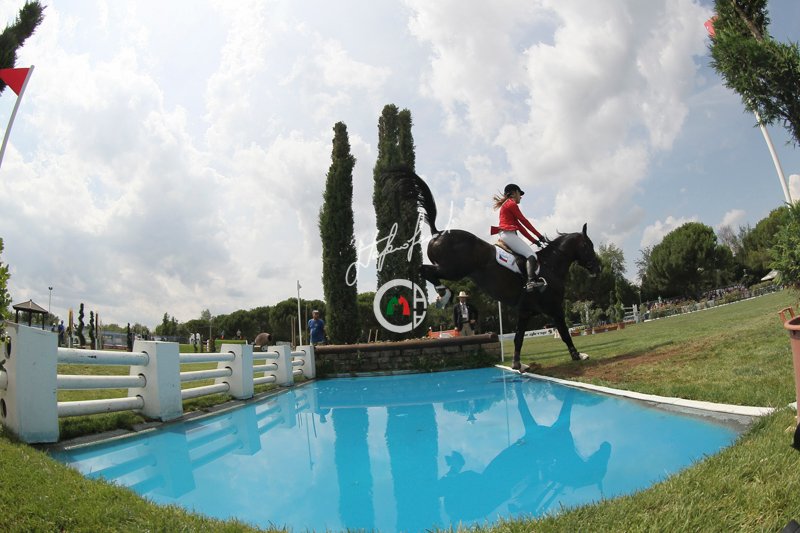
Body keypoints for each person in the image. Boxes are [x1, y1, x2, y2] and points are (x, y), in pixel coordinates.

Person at [490, 183, 549, 291]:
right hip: (508, 235)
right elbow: (524, 221)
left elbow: (521, 228)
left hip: (507, 234)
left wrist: (535, 240)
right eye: (519, 194)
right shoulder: (511, 204)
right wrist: (540, 236)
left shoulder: (507, 205)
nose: (520, 197)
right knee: (531, 255)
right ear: (514, 193)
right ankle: (531, 281)